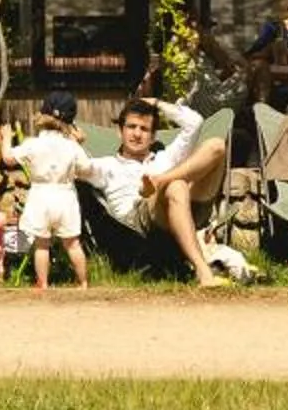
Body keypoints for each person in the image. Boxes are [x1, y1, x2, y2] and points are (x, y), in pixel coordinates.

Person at [79, 95, 236, 287]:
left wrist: (158, 103)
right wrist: (69, 139)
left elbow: (195, 122)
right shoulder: (106, 166)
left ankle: (160, 180)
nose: (137, 134)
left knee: (217, 145)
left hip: (183, 206)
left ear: (153, 137)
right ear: (120, 131)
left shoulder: (166, 157)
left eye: (144, 129)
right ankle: (203, 271)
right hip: (139, 219)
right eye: (131, 127)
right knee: (177, 186)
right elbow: (76, 167)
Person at [2, 89, 93, 291]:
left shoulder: (33, 144)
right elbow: (87, 169)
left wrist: (6, 138)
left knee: (41, 244)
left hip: (40, 196)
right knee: (72, 243)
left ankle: (42, 283)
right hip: (65, 196)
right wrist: (79, 144)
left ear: (42, 114)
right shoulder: (71, 146)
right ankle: (83, 283)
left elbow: (8, 158)